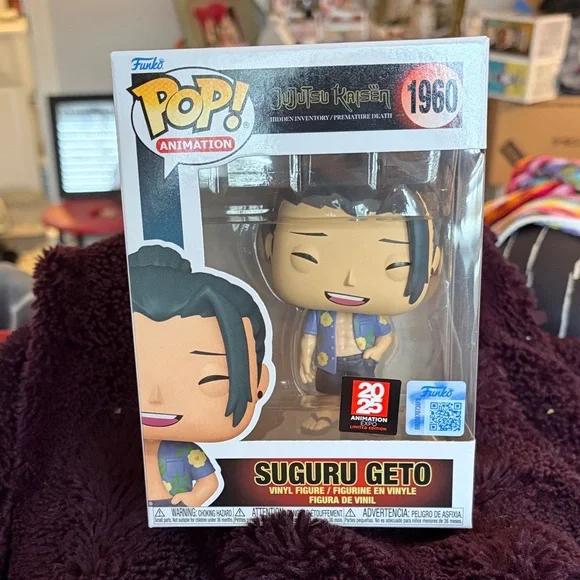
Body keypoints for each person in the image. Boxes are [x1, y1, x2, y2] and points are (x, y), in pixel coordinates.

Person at [265, 185, 439, 435]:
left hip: (360, 358)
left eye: (395, 266)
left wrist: (377, 351)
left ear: (433, 261)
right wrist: (304, 358)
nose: (350, 281)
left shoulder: (373, 315)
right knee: (327, 389)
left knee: (365, 390)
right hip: (328, 361)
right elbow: (309, 337)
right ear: (269, 247)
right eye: (305, 258)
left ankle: (367, 421)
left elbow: (387, 336)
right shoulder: (319, 313)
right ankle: (328, 411)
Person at [129, 245, 270, 507]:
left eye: (211, 380)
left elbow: (209, 483)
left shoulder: (186, 452)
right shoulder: (113, 450)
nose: (154, 397)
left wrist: (192, 499)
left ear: (260, 383)